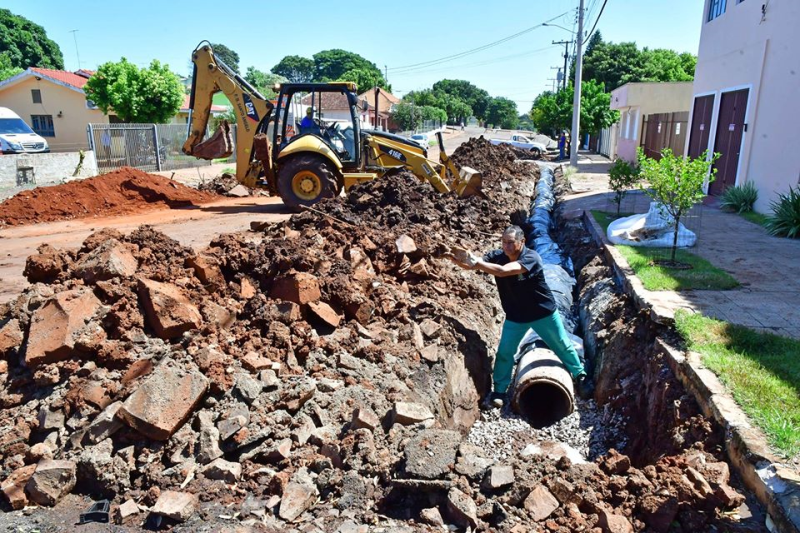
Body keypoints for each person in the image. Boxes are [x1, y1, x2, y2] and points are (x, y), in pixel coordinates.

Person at [449, 225, 593, 408]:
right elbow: (473, 265)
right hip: (516, 316)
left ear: (522, 241)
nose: (506, 247)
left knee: (562, 345)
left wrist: (475, 262)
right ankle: (499, 391)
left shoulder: (531, 257)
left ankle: (580, 375)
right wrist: (456, 259)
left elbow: (503, 271)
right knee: (504, 353)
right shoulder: (497, 256)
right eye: (504, 243)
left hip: (543, 312)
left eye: (510, 243)